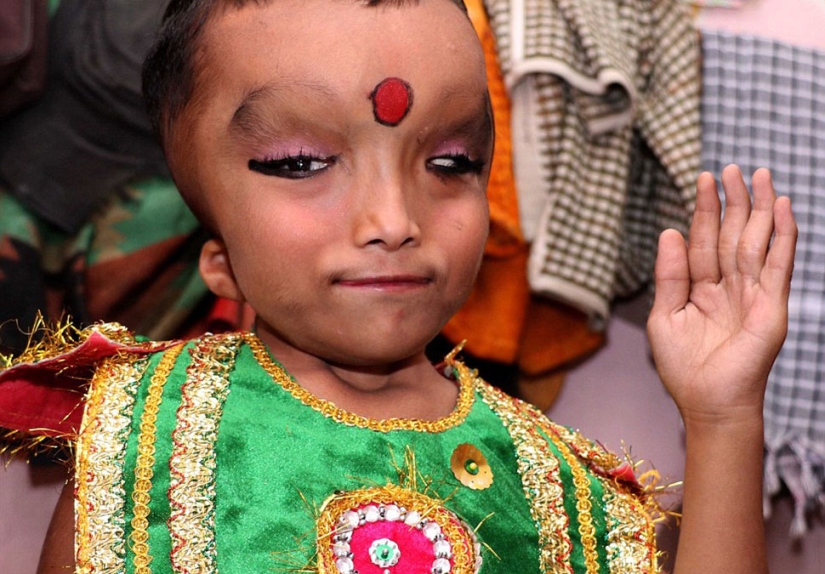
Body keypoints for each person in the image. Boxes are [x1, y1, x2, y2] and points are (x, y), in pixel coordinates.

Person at [1, 1, 796, 573]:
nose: (393, 218)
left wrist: (723, 418)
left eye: (448, 162)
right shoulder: (143, 437)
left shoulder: (560, 485)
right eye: (302, 164)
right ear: (218, 261)